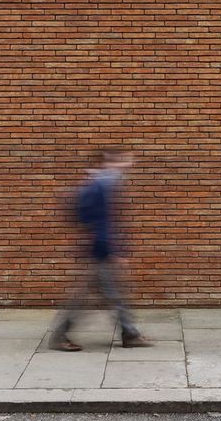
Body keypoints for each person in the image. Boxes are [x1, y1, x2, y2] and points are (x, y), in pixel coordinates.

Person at [49, 148, 152, 351]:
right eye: (117, 161)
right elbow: (101, 222)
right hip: (100, 250)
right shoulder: (100, 186)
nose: (123, 165)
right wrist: (114, 251)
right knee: (93, 295)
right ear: (104, 164)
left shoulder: (106, 184)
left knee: (113, 292)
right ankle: (60, 336)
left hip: (101, 248)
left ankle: (129, 333)